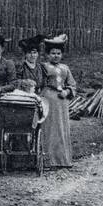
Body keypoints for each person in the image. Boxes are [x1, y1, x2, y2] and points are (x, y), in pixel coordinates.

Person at [41, 36, 76, 168]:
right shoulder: (44, 66)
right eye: (53, 53)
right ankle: (48, 160)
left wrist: (67, 92)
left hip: (62, 102)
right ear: (47, 54)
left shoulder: (65, 68)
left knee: (61, 128)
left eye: (58, 53)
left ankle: (62, 160)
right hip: (48, 98)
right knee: (49, 129)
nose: (56, 56)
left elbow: (72, 84)